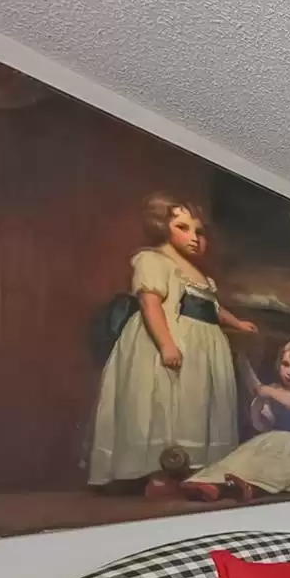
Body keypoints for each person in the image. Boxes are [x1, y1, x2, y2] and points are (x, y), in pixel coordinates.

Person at [88, 192, 257, 489]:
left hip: (204, 344)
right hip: (172, 339)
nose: (194, 238)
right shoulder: (154, 260)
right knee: (167, 405)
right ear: (162, 226)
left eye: (199, 231)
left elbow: (212, 308)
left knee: (196, 404)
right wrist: (166, 343)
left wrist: (237, 323)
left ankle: (194, 473)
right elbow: (150, 303)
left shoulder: (200, 275)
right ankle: (160, 472)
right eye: (183, 228)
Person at [182, 339, 290, 501]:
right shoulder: (274, 389)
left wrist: (270, 393)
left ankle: (253, 488)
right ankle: (213, 485)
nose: (289, 372)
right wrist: (260, 402)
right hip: (278, 438)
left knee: (277, 469)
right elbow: (263, 424)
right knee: (243, 458)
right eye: (286, 364)